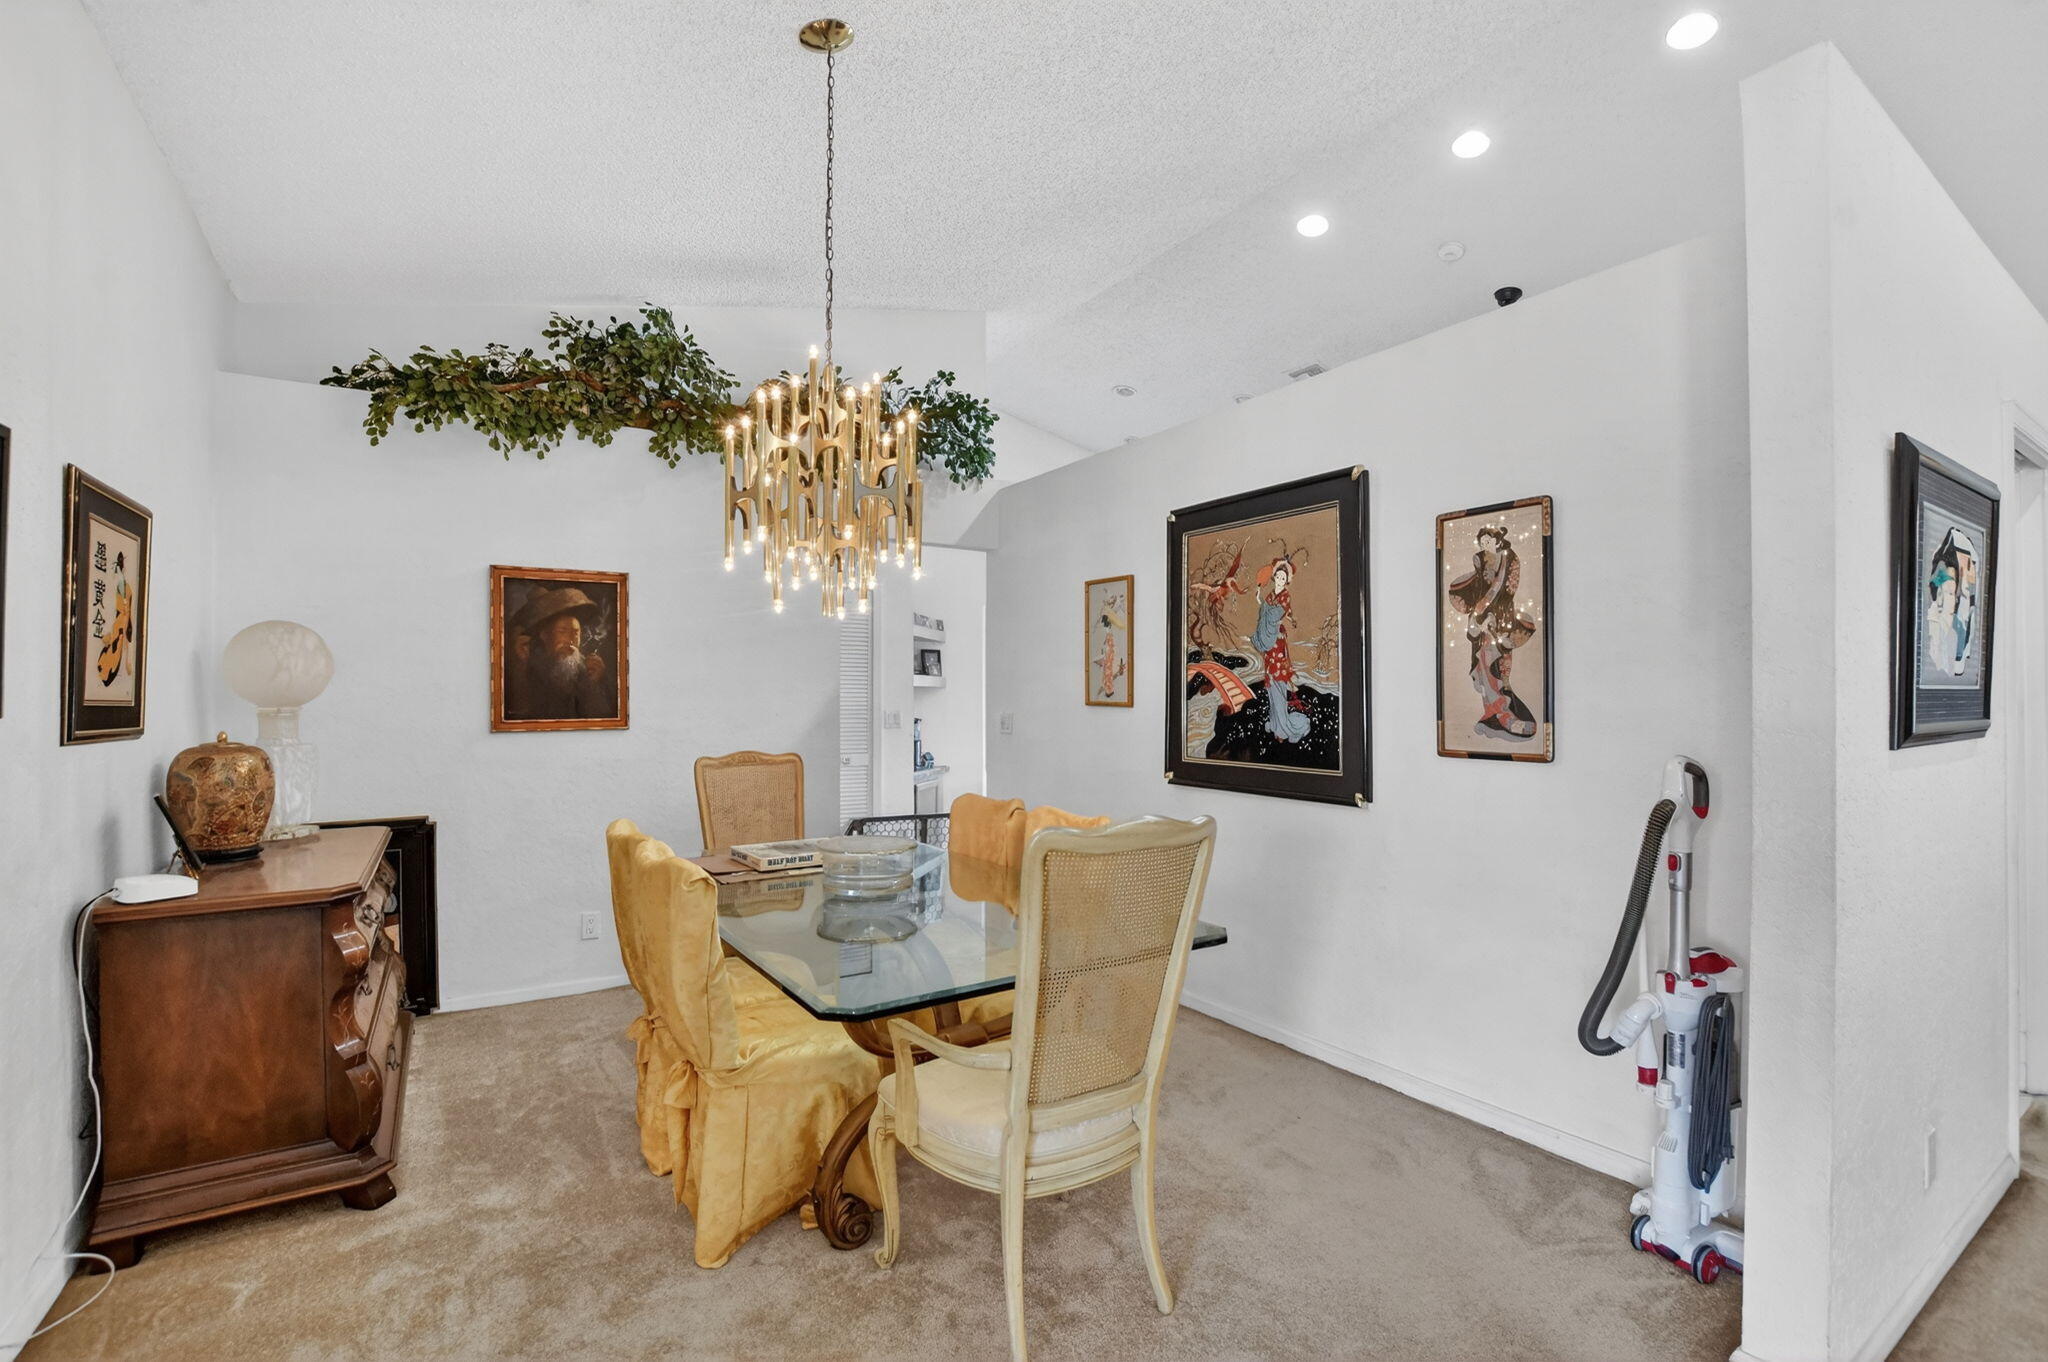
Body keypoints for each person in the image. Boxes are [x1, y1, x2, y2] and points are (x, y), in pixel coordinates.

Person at [504, 586, 614, 720]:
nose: (571, 639)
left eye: (576, 633)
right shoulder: (530, 664)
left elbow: (601, 718)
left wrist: (594, 684)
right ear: (545, 636)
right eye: (562, 631)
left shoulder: (589, 668)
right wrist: (520, 667)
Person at [1250, 550, 1312, 743]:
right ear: (1274, 577)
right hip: (1270, 647)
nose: (1279, 579)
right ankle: (1276, 724)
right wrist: (1261, 601)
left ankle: (1284, 727)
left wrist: (1263, 605)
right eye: (1277, 575)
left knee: (1278, 685)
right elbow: (1265, 615)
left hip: (1277, 643)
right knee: (1270, 685)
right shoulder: (1270, 595)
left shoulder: (1285, 597)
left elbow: (1275, 615)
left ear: (1287, 581)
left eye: (1283, 577)